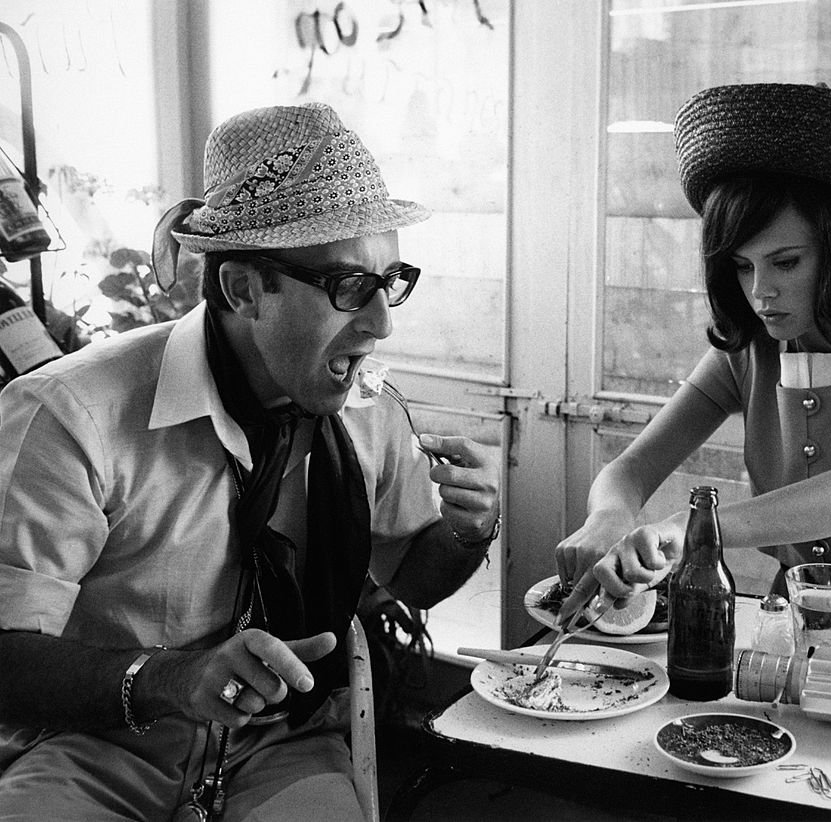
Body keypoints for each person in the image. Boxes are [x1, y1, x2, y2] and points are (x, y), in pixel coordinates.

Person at [0, 102, 500, 821]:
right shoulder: (73, 415)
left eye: (391, 280)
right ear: (243, 289)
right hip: (95, 748)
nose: (382, 322)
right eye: (348, 287)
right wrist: (172, 678)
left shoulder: (369, 414)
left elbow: (411, 579)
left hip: (282, 745)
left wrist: (466, 529)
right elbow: (7, 658)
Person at [556, 82, 831, 618]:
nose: (760, 291)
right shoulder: (750, 348)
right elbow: (632, 467)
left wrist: (693, 527)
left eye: (785, 263)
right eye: (742, 265)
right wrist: (609, 516)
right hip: (796, 607)